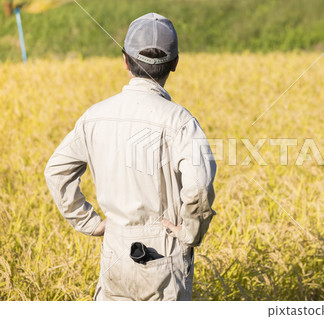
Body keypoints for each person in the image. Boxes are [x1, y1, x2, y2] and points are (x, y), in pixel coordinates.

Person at [44, 13, 216, 301]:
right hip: (164, 251)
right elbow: (198, 185)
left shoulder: (94, 116)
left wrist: (87, 222)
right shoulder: (181, 122)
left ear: (125, 60)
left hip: (115, 249)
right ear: (175, 63)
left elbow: (56, 171)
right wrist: (190, 233)